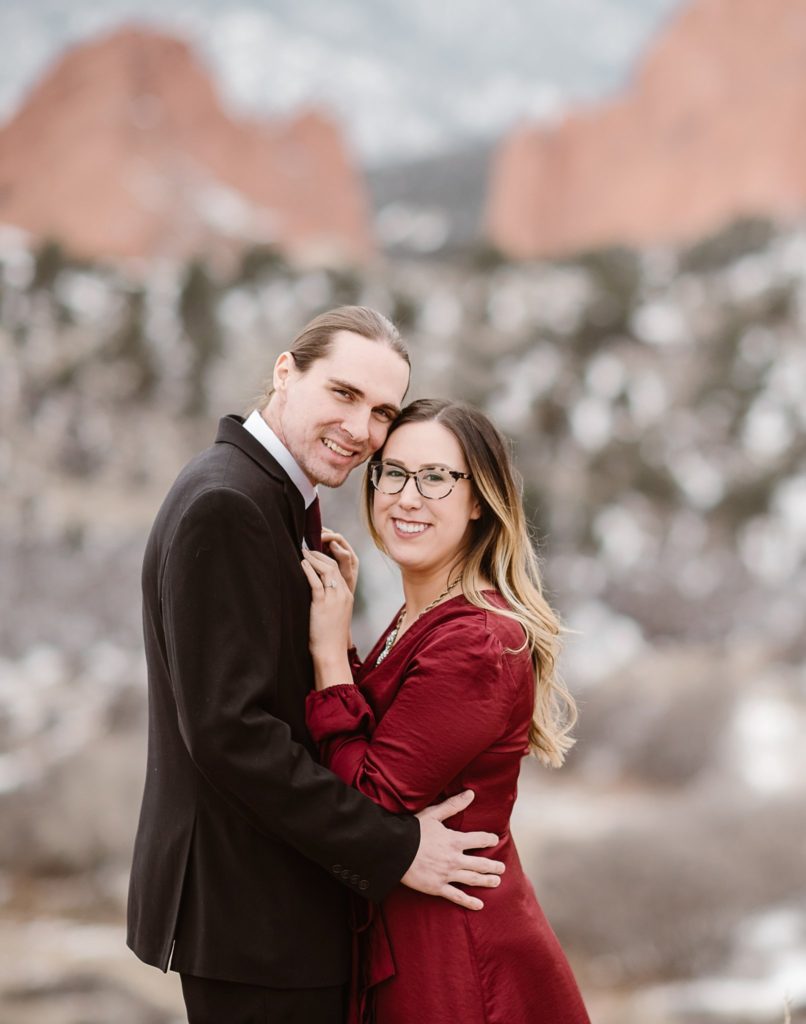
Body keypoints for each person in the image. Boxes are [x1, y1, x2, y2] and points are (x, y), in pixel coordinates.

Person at [127, 309, 507, 1024]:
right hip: (256, 920)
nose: (361, 429)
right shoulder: (228, 503)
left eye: (382, 412)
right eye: (344, 393)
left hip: (267, 915)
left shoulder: (267, 495)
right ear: (285, 372)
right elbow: (229, 733)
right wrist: (396, 848)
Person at [302, 398, 591, 1024]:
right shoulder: (423, 617)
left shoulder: (478, 641)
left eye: (436, 477)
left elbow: (369, 800)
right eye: (394, 473)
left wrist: (328, 656)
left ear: (479, 499)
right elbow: (383, 740)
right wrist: (345, 643)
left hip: (458, 961)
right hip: (418, 937)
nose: (407, 498)